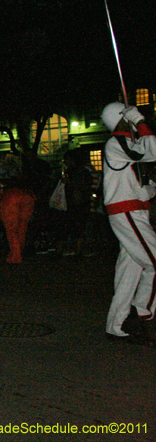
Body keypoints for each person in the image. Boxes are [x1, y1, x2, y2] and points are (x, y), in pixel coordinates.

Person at [99, 102, 156, 346]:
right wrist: (140, 121)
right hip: (128, 212)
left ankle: (116, 325)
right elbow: (152, 150)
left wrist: (148, 189)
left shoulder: (124, 143)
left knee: (129, 273)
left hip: (133, 212)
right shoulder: (117, 142)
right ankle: (140, 314)